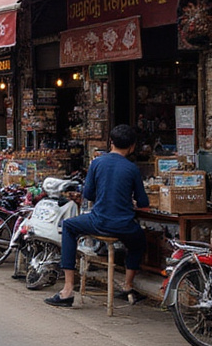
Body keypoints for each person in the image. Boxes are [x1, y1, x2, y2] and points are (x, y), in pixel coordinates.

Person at [46, 123, 150, 307]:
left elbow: (89, 194)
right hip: (124, 226)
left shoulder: (97, 163)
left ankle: (67, 290)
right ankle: (127, 286)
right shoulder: (132, 169)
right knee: (140, 241)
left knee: (69, 226)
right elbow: (143, 203)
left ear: (110, 142)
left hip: (98, 222)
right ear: (132, 146)